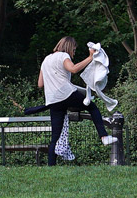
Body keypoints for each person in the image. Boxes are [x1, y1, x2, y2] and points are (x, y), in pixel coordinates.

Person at [38, 37, 117, 166]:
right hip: (65, 95)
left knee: (55, 137)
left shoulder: (46, 59)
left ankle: (50, 166)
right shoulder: (63, 56)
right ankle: (104, 136)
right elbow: (73, 69)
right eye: (73, 50)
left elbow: (40, 84)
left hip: (52, 100)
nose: (73, 53)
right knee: (92, 107)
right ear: (69, 48)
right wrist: (90, 57)